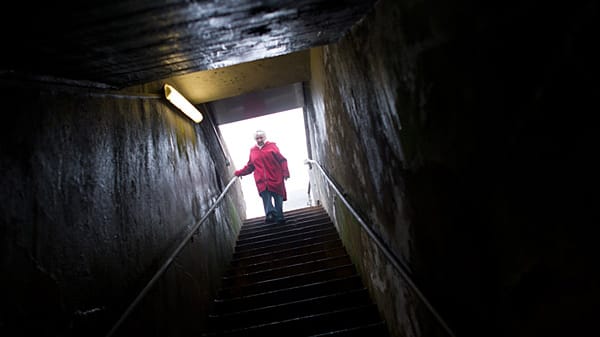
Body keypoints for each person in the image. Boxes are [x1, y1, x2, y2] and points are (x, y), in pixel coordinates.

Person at [234, 130, 290, 224]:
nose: (259, 140)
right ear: (255, 139)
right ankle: (270, 214)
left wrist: (285, 173)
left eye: (261, 137)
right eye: (257, 138)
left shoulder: (272, 146)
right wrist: (239, 173)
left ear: (265, 137)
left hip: (275, 177)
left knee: (278, 197)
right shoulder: (253, 150)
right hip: (261, 180)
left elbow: (282, 160)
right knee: (266, 197)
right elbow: (250, 166)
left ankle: (280, 217)